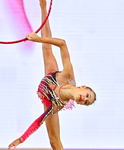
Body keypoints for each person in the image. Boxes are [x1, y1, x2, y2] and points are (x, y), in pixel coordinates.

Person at [8, 0, 96, 150]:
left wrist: (20, 139)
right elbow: (62, 43)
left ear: (81, 104)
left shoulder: (56, 106)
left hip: (49, 98)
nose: (84, 99)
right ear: (83, 87)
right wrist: (38, 39)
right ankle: (43, 6)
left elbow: (38, 122)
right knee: (47, 48)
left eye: (86, 102)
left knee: (54, 142)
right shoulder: (68, 75)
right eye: (87, 95)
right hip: (54, 77)